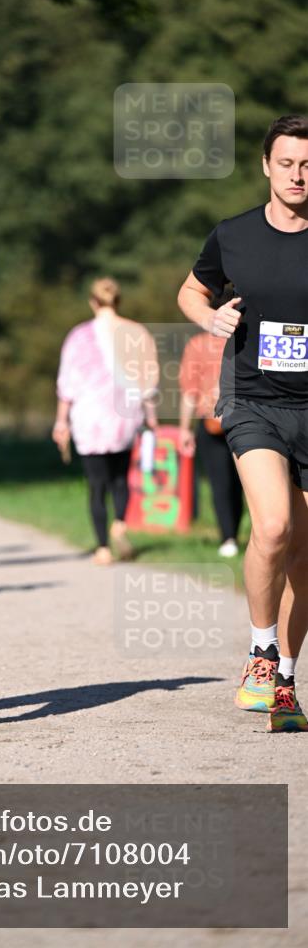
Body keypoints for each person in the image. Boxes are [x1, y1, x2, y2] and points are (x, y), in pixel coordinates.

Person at [178, 113, 308, 733]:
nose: (298, 174)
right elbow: (190, 292)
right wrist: (209, 322)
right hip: (253, 400)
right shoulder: (233, 235)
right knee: (275, 525)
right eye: (286, 163)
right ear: (266, 166)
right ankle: (260, 654)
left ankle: (284, 679)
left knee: (307, 561)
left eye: (307, 165)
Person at [53, 277, 159, 565]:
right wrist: (152, 420)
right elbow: (149, 381)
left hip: (90, 418)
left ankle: (102, 548)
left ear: (92, 302)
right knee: (121, 478)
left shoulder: (78, 336)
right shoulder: (136, 332)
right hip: (125, 416)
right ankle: (120, 524)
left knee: (97, 484)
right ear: (118, 301)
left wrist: (61, 422)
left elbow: (67, 384)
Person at [178, 291, 244, 557]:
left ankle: (228, 538)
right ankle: (239, 534)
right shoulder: (246, 342)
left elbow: (188, 392)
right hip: (247, 420)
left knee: (220, 483)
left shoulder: (197, 344)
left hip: (210, 422)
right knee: (242, 483)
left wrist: (184, 429)